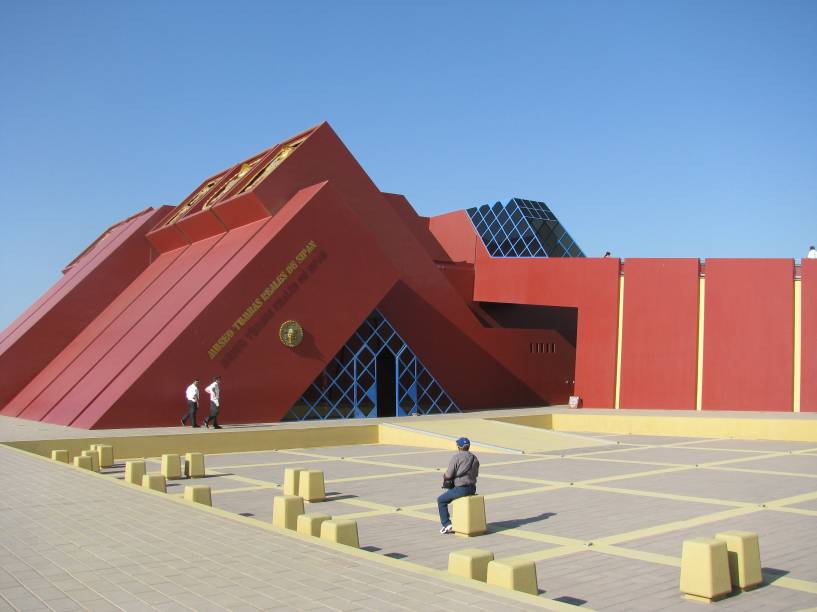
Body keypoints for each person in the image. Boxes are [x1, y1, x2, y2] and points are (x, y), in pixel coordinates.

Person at [437, 437, 479, 534]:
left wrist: (445, 476)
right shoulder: (474, 458)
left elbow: (449, 475)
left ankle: (447, 524)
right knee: (451, 494)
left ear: (459, 447)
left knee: (441, 500)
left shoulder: (456, 457)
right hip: (472, 488)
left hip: (461, 489)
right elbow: (476, 474)